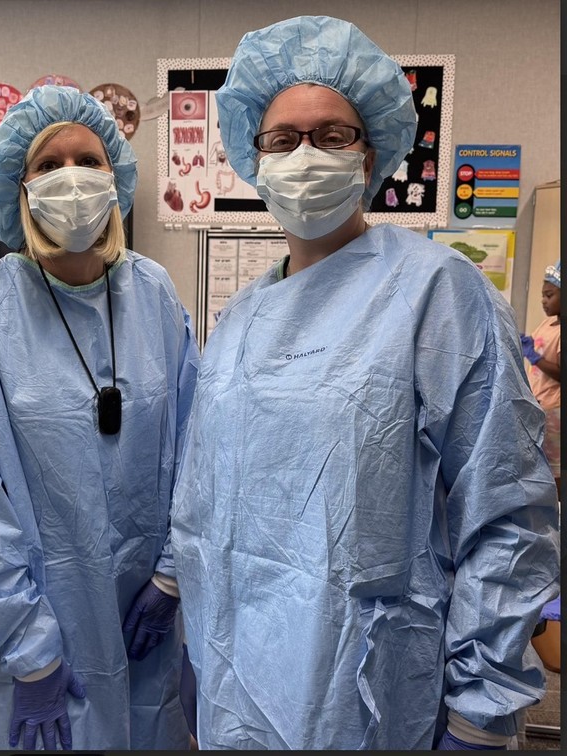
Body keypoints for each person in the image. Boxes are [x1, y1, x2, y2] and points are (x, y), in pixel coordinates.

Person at [170, 15, 560, 751]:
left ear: (371, 153)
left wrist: (482, 706)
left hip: (370, 687)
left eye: (332, 135)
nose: (306, 154)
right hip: (235, 677)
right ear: (254, 159)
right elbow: (204, 502)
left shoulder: (436, 292)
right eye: (283, 139)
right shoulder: (243, 313)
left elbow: (505, 508)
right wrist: (197, 637)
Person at [0, 85, 199, 751]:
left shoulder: (153, 295)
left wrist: (173, 573)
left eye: (90, 160)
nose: (72, 177)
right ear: (20, 186)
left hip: (141, 624)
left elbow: (198, 450)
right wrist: (26, 647)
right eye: (48, 164)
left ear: (116, 178)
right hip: (23, 650)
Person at [521, 261, 561, 498]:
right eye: (542, 296)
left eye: (550, 295)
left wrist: (535, 358)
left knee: (556, 468)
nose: (543, 301)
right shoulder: (547, 323)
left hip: (556, 409)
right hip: (539, 405)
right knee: (541, 462)